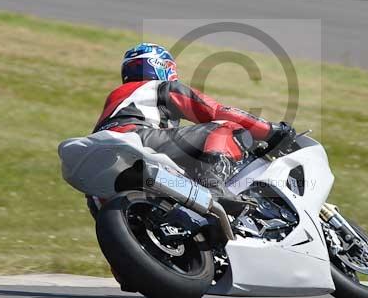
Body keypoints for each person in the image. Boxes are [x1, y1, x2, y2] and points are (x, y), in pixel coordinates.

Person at [91, 43, 295, 210]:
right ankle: (215, 189)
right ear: (162, 67)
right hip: (137, 139)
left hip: (101, 175)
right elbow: (217, 111)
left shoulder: (119, 99)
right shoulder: (159, 87)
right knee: (225, 127)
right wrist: (272, 131)